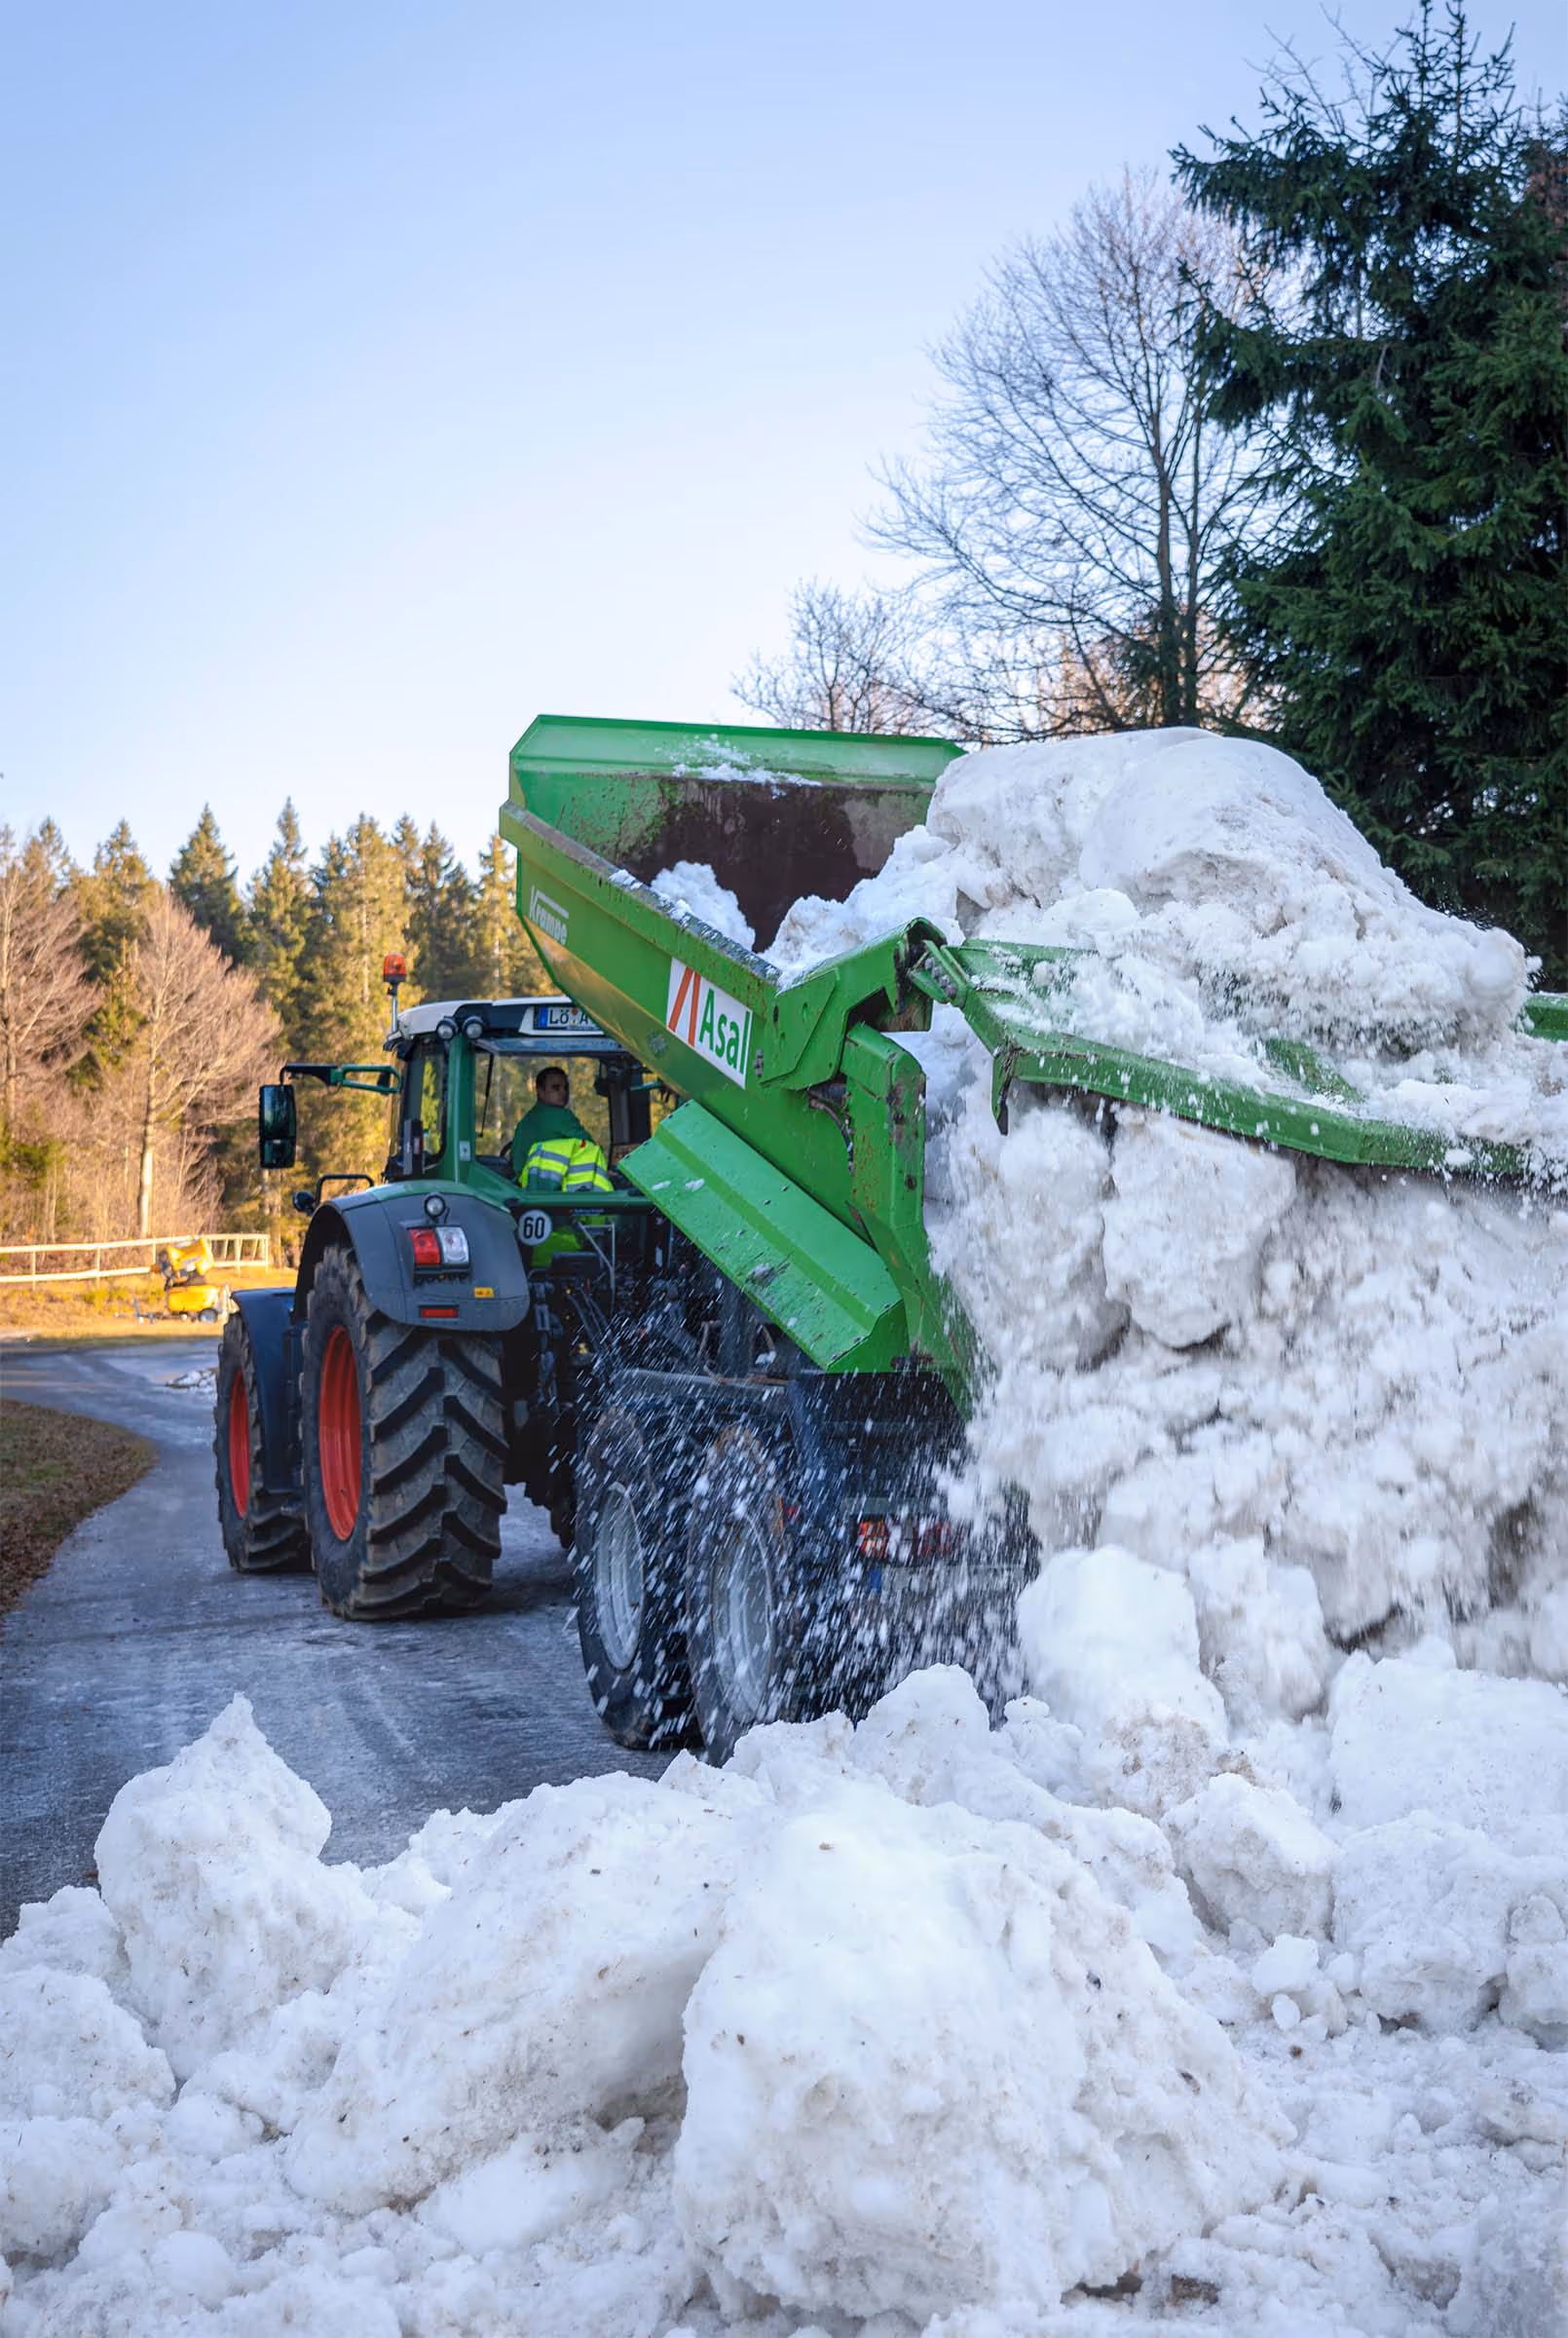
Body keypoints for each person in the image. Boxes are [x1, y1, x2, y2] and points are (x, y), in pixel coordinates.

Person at [508, 1065, 590, 1182]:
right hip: (553, 1190)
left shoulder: (525, 1121)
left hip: (524, 1189)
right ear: (540, 1092)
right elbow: (590, 1147)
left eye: (565, 1087)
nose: (563, 1092)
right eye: (556, 1088)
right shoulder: (562, 1116)